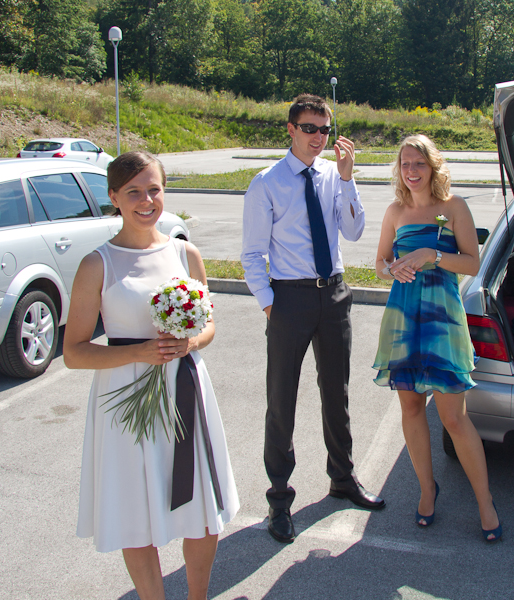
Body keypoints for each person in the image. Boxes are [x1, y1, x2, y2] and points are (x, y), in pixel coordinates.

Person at [64, 151, 240, 600]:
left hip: (185, 389)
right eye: (134, 192)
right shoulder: (97, 264)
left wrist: (190, 343)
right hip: (124, 399)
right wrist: (141, 352)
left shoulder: (185, 252)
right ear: (114, 198)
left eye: (154, 189)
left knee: (201, 511)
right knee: (135, 515)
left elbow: (209, 326)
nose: (147, 201)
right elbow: (74, 353)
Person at [241, 93, 384, 545]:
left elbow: (354, 231)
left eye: (324, 129)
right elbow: (252, 254)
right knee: (281, 399)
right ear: (290, 129)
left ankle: (342, 477)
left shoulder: (333, 175)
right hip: (290, 297)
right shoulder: (266, 183)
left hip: (334, 294)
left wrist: (348, 178)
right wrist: (270, 304)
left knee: (336, 392)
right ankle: (279, 498)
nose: (318, 137)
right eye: (309, 129)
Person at [373, 134, 501, 542]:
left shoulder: (454, 206)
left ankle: (485, 501)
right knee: (411, 408)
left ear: (433, 166)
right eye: (405, 164)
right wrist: (391, 269)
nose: (411, 171)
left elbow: (473, 263)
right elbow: (379, 262)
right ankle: (427, 490)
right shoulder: (395, 211)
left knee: (453, 418)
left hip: (442, 318)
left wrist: (433, 255)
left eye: (419, 163)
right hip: (404, 316)